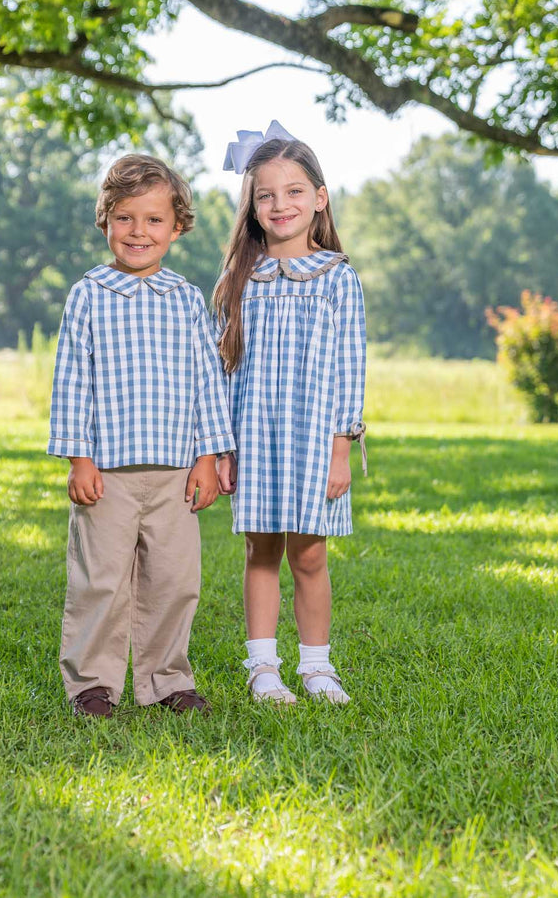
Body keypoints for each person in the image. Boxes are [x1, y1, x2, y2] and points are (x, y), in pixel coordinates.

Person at [47, 154, 235, 719]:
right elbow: (72, 381)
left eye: (155, 221)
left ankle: (167, 679)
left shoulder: (185, 298)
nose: (139, 232)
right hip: (108, 470)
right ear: (106, 221)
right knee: (102, 581)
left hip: (177, 469)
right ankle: (92, 685)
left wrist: (209, 455)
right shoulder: (88, 295)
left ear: (177, 226)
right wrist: (79, 458)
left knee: (174, 581)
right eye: (125, 219)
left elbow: (208, 382)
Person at [213, 123, 367, 705]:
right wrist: (222, 447)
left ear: (319, 198)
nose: (281, 205)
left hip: (312, 441)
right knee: (261, 551)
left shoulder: (337, 278)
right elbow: (220, 373)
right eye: (267, 195)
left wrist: (340, 450)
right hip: (252, 437)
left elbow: (350, 367)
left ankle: (317, 667)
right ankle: (263, 668)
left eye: (295, 191)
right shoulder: (237, 282)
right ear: (252, 208)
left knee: (309, 553)